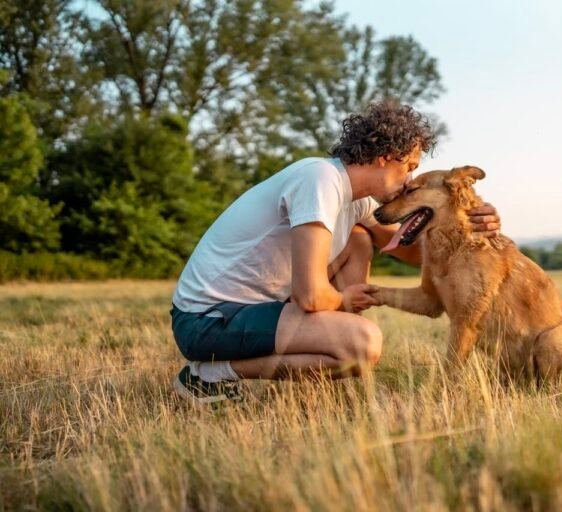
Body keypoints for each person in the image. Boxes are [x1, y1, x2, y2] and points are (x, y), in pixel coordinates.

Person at [170, 101, 501, 405]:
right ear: (386, 156)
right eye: (409, 166)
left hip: (250, 312)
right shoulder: (320, 179)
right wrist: (344, 301)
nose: (409, 181)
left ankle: (331, 374)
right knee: (362, 344)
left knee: (358, 238)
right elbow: (311, 297)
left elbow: (415, 254)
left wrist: (468, 223)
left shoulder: (355, 199)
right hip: (206, 320)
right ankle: (208, 376)